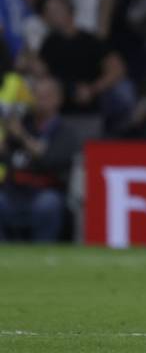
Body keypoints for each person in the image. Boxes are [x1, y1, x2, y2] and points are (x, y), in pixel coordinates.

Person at [0, 76, 79, 241]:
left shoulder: (65, 131)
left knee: (48, 204)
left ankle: (44, 249)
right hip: (14, 192)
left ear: (58, 99)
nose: (41, 100)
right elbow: (5, 157)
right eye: (37, 95)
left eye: (46, 96)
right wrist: (6, 130)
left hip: (45, 191)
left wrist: (22, 136)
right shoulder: (22, 124)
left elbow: (49, 159)